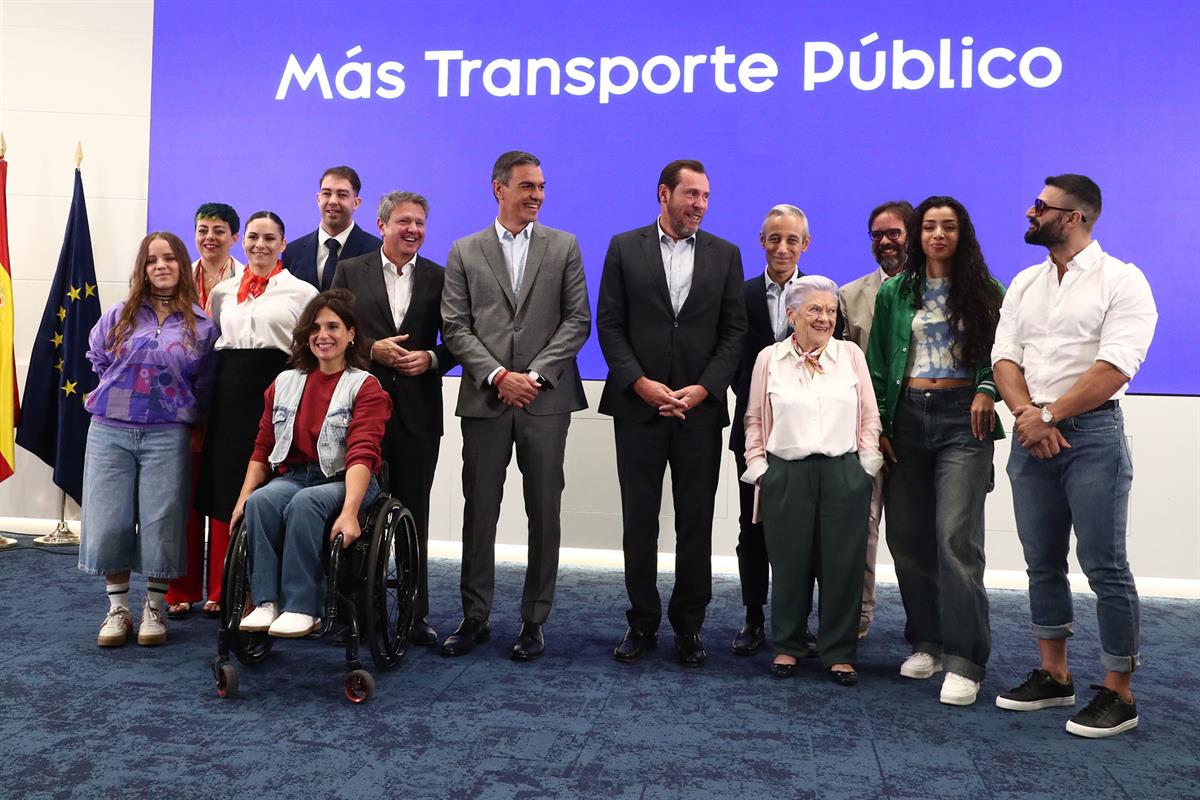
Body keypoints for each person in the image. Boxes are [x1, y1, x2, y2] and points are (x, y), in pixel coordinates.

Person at [992, 174, 1156, 738]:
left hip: (1090, 436)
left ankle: (1119, 692)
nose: (1030, 211)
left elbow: (1114, 369)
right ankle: (1054, 674)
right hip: (1031, 431)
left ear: (1074, 217)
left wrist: (1049, 416)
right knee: (1041, 559)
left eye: (1041, 206)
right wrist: (1026, 417)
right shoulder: (1024, 282)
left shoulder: (1124, 281)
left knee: (1105, 565)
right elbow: (1004, 359)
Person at [439, 151, 590, 660]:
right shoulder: (465, 249)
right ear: (498, 188)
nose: (537, 196)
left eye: (542, 187)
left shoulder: (564, 246)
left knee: (543, 510)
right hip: (486, 399)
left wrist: (535, 376)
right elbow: (456, 326)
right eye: (527, 186)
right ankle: (475, 616)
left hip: (545, 401)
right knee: (479, 511)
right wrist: (500, 376)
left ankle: (533, 620)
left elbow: (577, 320)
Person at [596, 159, 747, 667]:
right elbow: (610, 326)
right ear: (664, 194)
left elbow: (734, 333)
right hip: (638, 410)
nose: (700, 205)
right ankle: (641, 623)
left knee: (695, 524)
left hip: (698, 414)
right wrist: (640, 384)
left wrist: (705, 390)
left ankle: (689, 626)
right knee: (639, 523)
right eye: (691, 195)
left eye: (706, 196)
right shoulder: (623, 247)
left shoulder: (726, 255)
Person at [865, 195, 1004, 707]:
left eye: (948, 226)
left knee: (954, 540)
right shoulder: (897, 292)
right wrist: (879, 422)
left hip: (963, 418)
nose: (938, 235)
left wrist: (988, 387)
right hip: (906, 420)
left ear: (962, 233)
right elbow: (879, 361)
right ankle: (928, 641)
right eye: (929, 227)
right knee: (906, 538)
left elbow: (1003, 352)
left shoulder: (988, 291)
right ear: (918, 234)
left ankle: (967, 660)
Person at [80, 232, 218, 647]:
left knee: (163, 521)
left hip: (167, 433)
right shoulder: (119, 315)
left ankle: (154, 609)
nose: (161, 266)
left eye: (170, 259)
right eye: (152, 260)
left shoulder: (204, 325)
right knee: (110, 522)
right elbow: (97, 357)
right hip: (110, 430)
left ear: (181, 265)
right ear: (142, 268)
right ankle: (117, 609)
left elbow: (205, 382)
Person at [742, 276, 881, 685]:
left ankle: (839, 651)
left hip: (844, 472)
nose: (825, 318)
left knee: (843, 566)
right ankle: (788, 645)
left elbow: (870, 416)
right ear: (791, 315)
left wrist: (865, 466)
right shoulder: (769, 358)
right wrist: (761, 468)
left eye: (831, 311)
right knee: (788, 565)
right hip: (786, 472)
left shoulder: (851, 355)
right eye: (815, 310)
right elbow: (753, 418)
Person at [332, 191, 456, 645]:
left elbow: (459, 338)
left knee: (413, 515)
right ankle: (348, 613)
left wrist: (431, 357)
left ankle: (412, 613)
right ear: (382, 225)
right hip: (362, 413)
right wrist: (368, 351)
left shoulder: (441, 277)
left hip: (419, 416)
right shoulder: (350, 271)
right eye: (404, 221)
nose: (413, 230)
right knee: (354, 510)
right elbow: (331, 333)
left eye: (420, 223)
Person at [234, 290, 391, 636]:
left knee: (306, 503)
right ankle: (265, 603)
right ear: (306, 336)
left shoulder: (364, 386)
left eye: (333, 327)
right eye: (316, 328)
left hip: (346, 480)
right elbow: (263, 447)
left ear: (351, 334)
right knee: (260, 502)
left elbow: (363, 453)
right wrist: (243, 497)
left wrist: (350, 512)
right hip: (295, 476)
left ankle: (304, 607)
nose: (323, 336)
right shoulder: (284, 383)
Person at [195, 212, 317, 616]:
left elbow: (309, 352)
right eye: (252, 237)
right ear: (242, 242)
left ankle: (267, 591)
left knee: (269, 489)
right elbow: (217, 342)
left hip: (277, 393)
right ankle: (234, 586)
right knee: (231, 488)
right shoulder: (223, 292)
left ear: (283, 244)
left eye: (269, 238)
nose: (259, 245)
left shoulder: (302, 292)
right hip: (229, 400)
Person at [727, 204, 810, 656]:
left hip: (808, 434)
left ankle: (797, 622)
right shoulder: (735, 294)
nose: (782, 247)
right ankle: (754, 619)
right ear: (762, 242)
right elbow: (726, 357)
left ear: (805, 245)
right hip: (751, 431)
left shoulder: (820, 297)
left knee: (803, 532)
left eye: (791, 240)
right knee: (751, 528)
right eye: (774, 239)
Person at [839, 200, 913, 639]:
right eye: (877, 235)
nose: (885, 242)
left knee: (914, 534)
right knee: (860, 530)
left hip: (921, 432)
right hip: (865, 435)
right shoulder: (849, 297)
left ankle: (925, 623)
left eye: (894, 233)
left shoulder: (937, 293)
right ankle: (858, 616)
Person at [166, 202, 244, 619]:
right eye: (202, 229)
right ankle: (180, 589)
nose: (209, 237)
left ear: (234, 236)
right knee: (185, 493)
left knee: (222, 491)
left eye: (219, 230)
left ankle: (219, 588)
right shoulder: (177, 277)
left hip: (229, 399)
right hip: (182, 398)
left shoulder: (247, 281)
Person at [283, 166, 383, 291]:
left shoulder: (377, 251)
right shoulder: (292, 252)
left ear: (356, 203)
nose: (333, 201)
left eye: (342, 195)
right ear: (318, 199)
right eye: (327, 194)